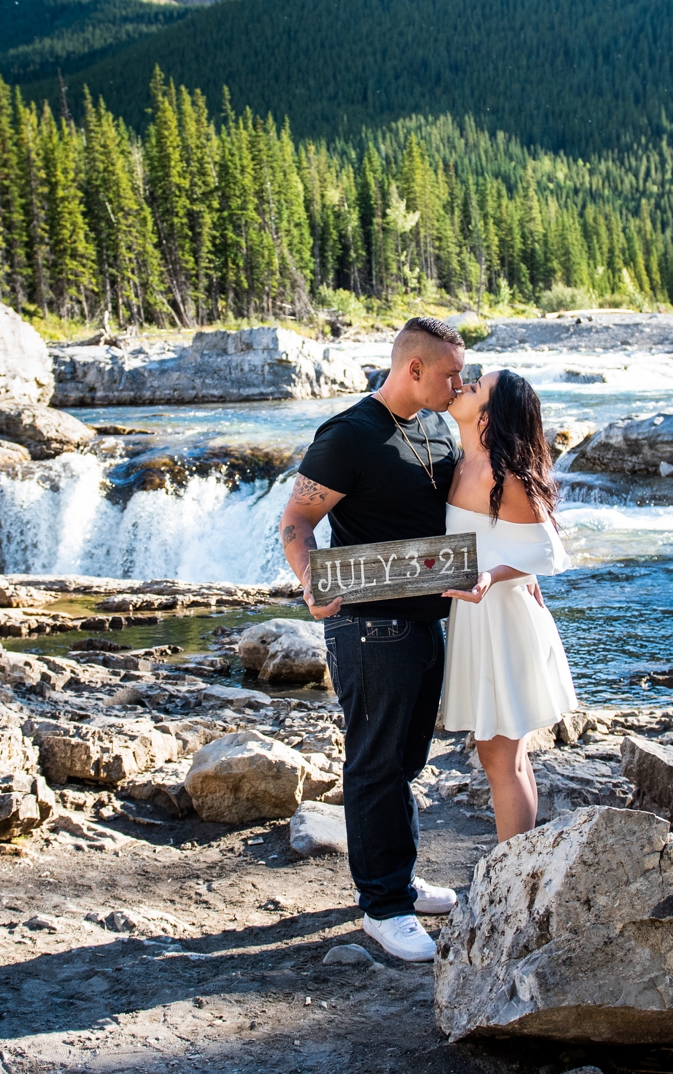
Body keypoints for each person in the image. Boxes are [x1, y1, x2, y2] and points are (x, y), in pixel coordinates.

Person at [277, 316, 466, 963]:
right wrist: (310, 579)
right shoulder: (350, 434)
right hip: (365, 623)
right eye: (449, 373)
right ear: (412, 368)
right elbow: (297, 521)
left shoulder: (441, 426)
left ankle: (400, 882)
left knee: (406, 761)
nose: (457, 383)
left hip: (424, 619)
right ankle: (381, 907)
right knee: (375, 761)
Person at [440, 369, 578, 841]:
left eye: (475, 387)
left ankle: (513, 873)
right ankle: (519, 866)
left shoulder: (505, 476)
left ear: (487, 418)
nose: (464, 385)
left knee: (501, 757)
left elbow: (549, 551)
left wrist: (495, 574)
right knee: (503, 756)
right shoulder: (462, 464)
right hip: (481, 618)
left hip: (502, 620)